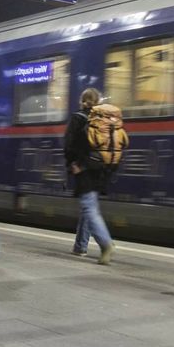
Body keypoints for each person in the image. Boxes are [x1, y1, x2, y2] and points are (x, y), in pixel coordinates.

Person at [63, 88, 116, 265]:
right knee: (89, 205)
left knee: (89, 207)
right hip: (101, 169)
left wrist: (72, 164)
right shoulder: (105, 119)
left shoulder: (78, 117)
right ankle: (80, 246)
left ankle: (106, 243)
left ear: (82, 100)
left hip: (84, 167)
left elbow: (69, 145)